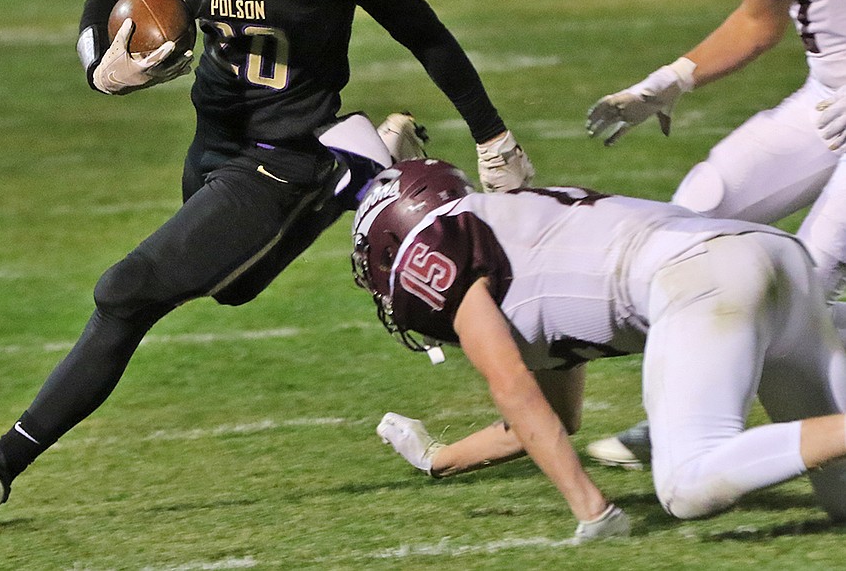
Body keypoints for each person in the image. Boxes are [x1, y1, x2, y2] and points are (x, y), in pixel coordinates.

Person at [0, 0, 534, 527]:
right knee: (230, 286)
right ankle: (361, 167)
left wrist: (493, 134)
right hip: (216, 132)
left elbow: (425, 31)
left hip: (284, 148)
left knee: (128, 289)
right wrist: (99, 65)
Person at [584, 0, 846, 468]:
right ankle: (680, 414)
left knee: (803, 271)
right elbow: (759, 21)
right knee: (693, 218)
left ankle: (715, 435)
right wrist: (667, 80)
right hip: (826, 96)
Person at [355, 158, 846, 542]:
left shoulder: (439, 251)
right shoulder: (508, 232)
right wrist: (439, 459)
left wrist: (592, 509)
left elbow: (513, 390)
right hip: (768, 255)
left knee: (688, 483)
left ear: (393, 241)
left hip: (701, 278)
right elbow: (552, 417)